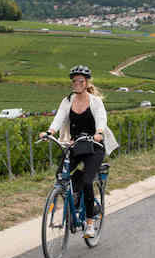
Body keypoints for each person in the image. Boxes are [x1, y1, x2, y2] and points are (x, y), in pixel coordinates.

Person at [39, 65, 118, 238]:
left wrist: (99, 133)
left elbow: (101, 118)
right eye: (74, 81)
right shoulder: (67, 100)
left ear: (86, 82)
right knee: (61, 175)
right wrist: (50, 132)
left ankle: (90, 222)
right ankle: (73, 197)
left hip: (94, 146)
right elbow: (59, 117)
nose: (76, 84)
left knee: (88, 181)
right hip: (75, 145)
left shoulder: (95, 101)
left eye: (80, 81)